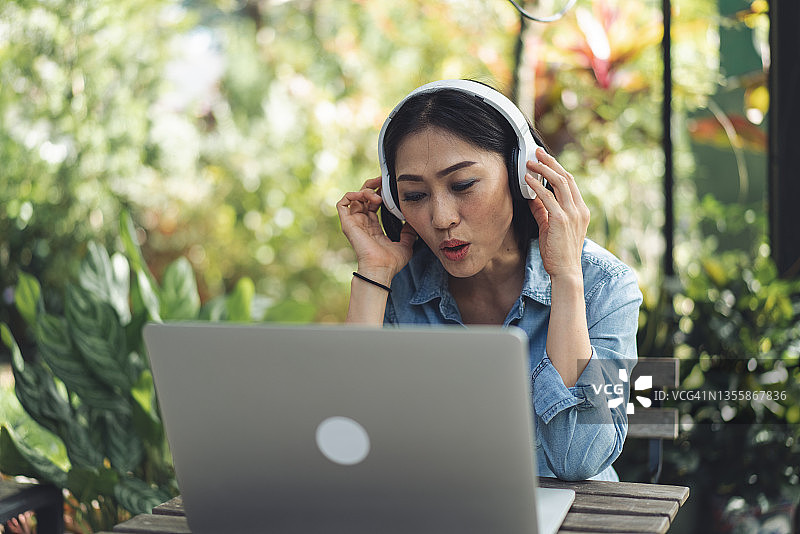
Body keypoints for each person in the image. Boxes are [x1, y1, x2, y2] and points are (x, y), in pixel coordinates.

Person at [336, 80, 642, 481]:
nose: (441, 218)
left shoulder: (607, 286)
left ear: (521, 176)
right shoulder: (397, 288)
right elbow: (345, 446)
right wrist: (373, 273)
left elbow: (578, 459)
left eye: (462, 185)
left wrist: (566, 278)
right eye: (413, 195)